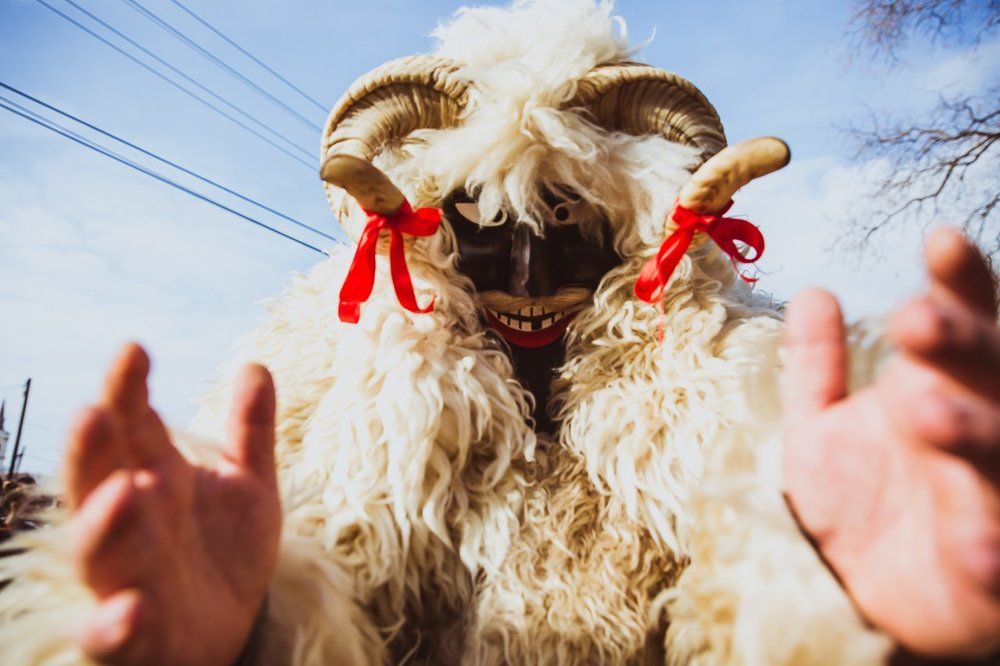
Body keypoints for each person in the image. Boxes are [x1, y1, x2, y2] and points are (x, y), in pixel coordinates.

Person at [1, 2, 997, 663]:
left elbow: (749, 601)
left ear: (640, 230)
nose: (527, 281)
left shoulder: (742, 395)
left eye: (568, 224)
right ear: (421, 231)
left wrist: (839, 603)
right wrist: (249, 631)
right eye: (483, 228)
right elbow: (308, 580)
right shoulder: (319, 387)